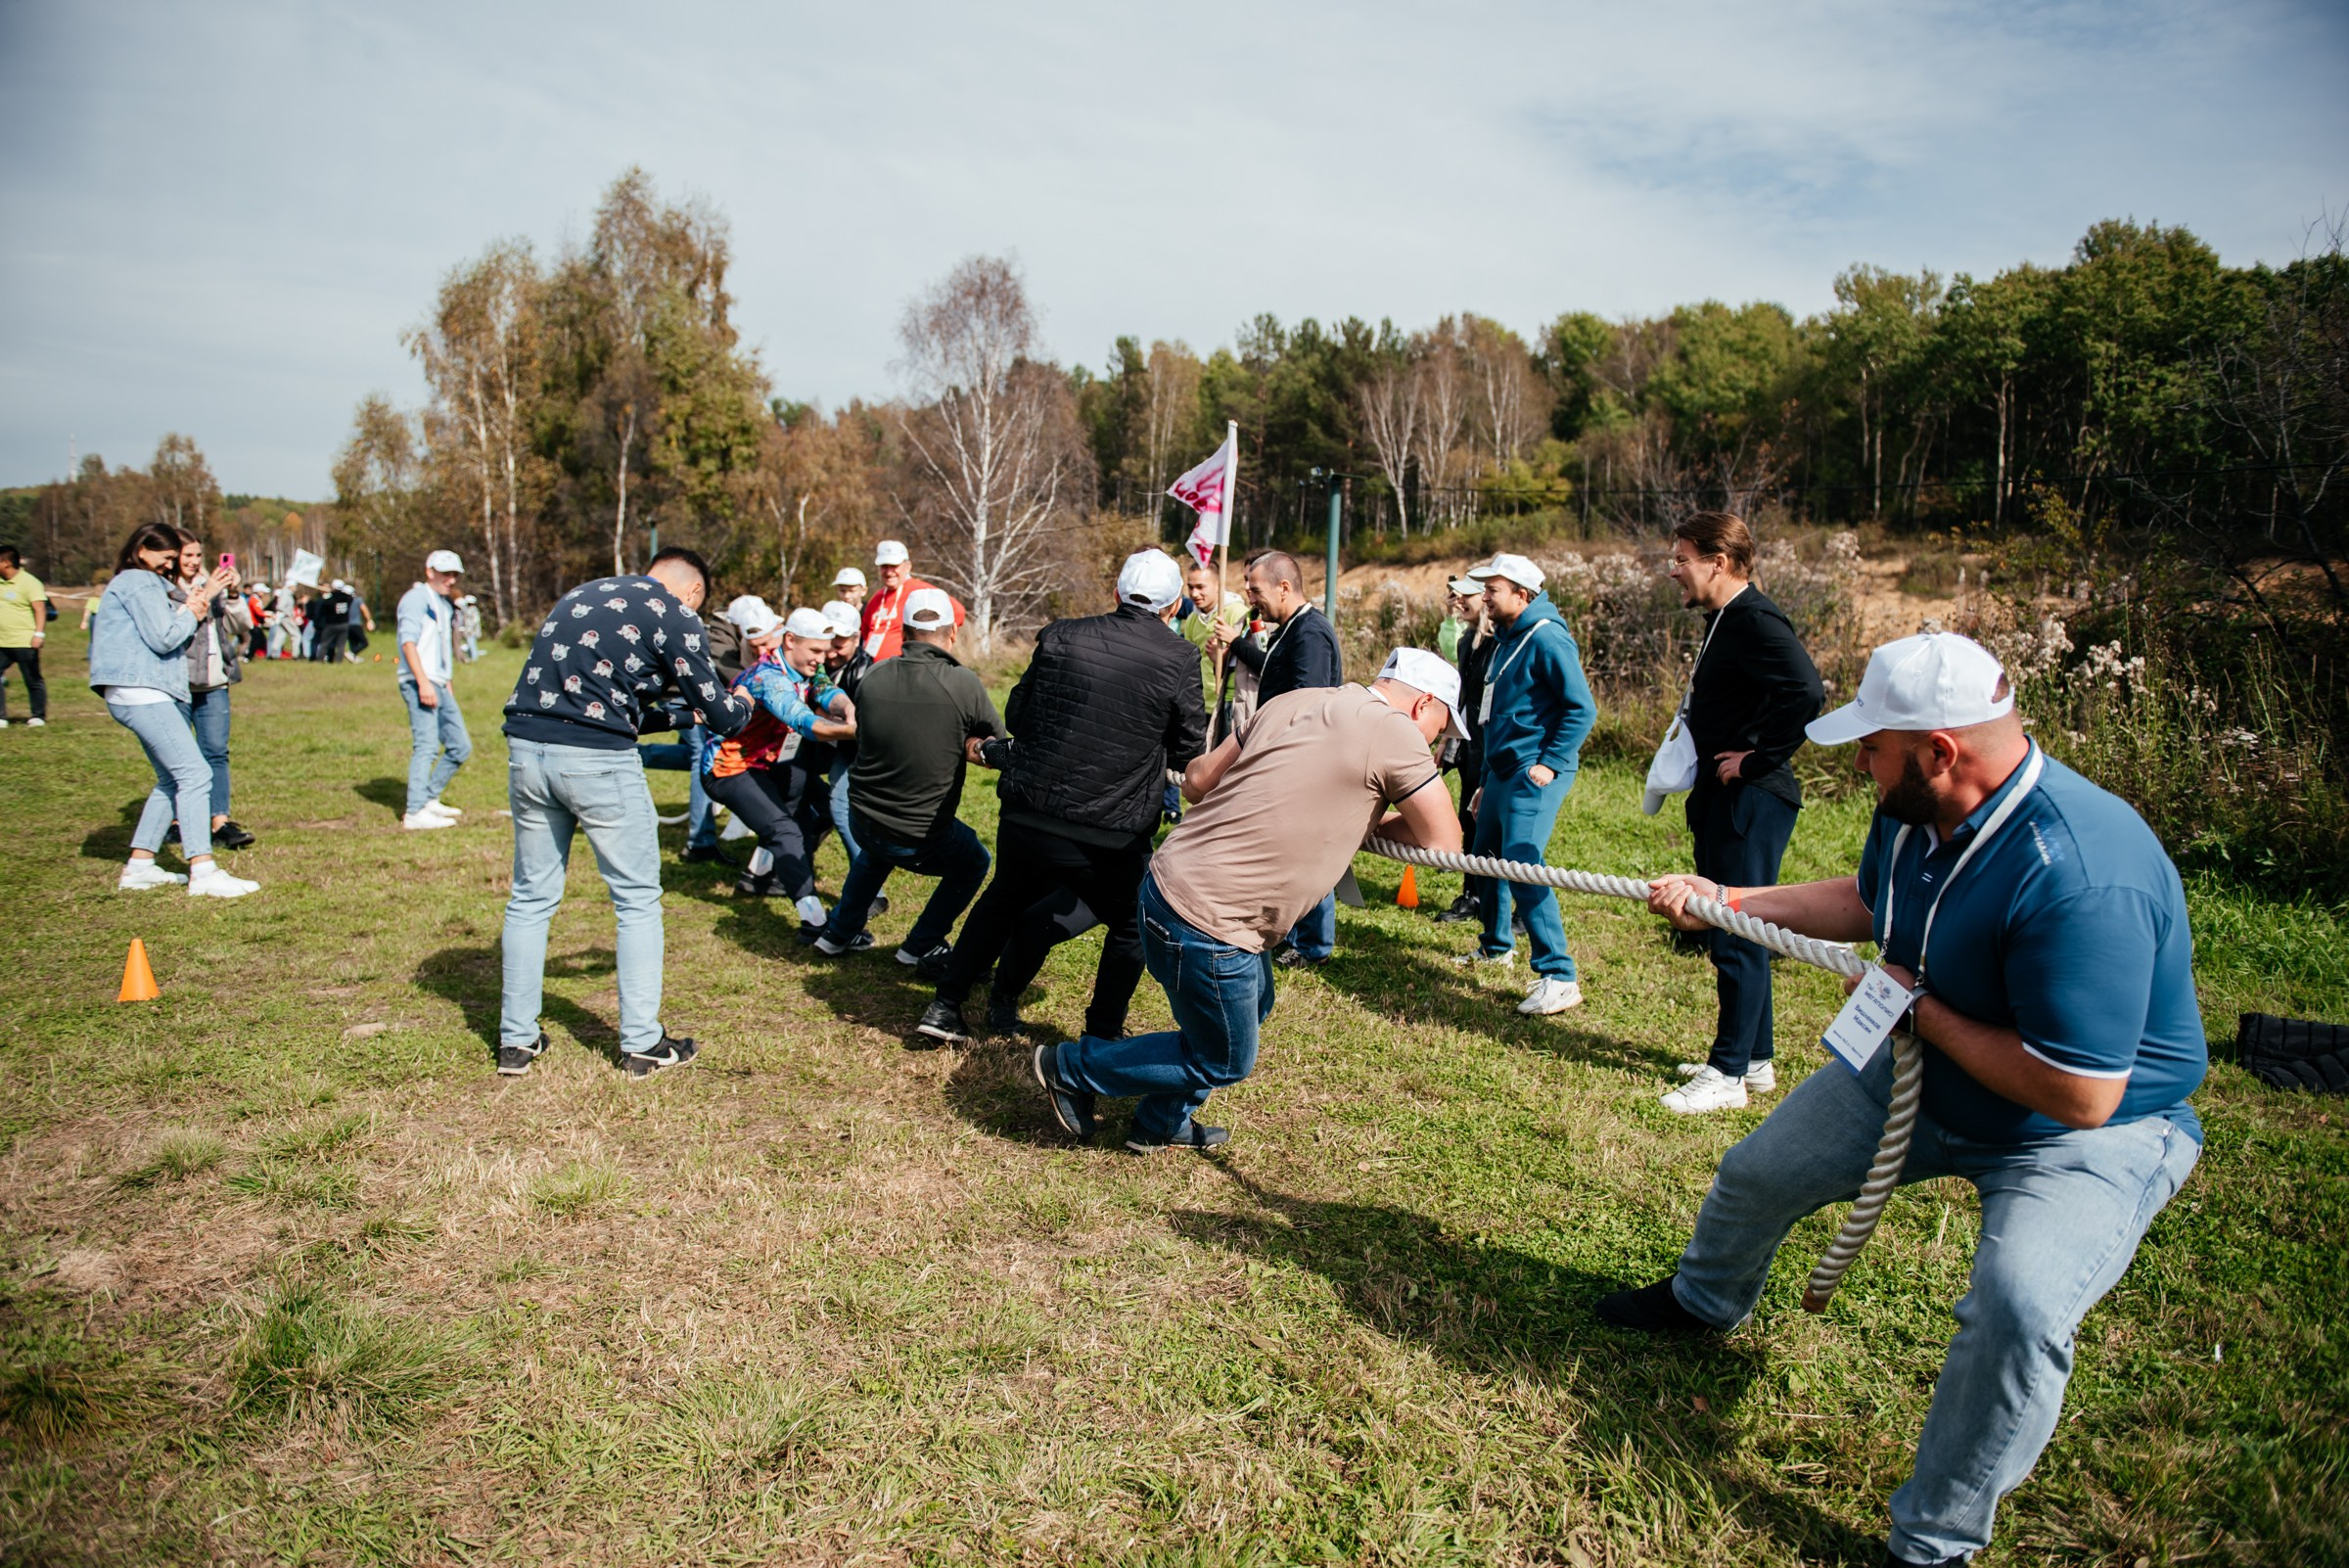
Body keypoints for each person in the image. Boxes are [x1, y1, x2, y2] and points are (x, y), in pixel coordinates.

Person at [1616, 632, 2207, 1568]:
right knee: (1757, 1170)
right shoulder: (1913, 809)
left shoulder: (2083, 874)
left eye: (1872, 744)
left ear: (1942, 750)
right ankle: (1702, 1302)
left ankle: (1931, 1543)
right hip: (1925, 1070)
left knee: (2016, 1312)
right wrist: (1729, 897)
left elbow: (2084, 1094)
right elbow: (1867, 898)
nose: (1858, 759)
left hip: (2078, 1135)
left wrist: (1923, 1017)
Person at [1034, 648, 1466, 1152]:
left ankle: (1158, 1120)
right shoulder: (1398, 734)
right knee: (1224, 1059)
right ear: (1423, 705)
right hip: (1214, 923)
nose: (1440, 740)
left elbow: (1196, 781)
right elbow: (1443, 843)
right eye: (1444, 726)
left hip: (1166, 885)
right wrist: (1373, 816)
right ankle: (1071, 1068)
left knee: (1253, 1004)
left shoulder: (1296, 699)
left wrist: (1354, 811)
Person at [917, 550, 1208, 1045]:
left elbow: (1020, 713)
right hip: (1108, 827)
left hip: (1031, 808)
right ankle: (1102, 1032)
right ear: (1174, 604)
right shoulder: (1179, 657)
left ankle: (946, 1005)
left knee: (1002, 901)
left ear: (1117, 594)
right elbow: (1188, 748)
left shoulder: (1061, 634)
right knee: (1131, 926)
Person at [497, 547, 755, 1079]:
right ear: (693, 593)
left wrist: (680, 711)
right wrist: (748, 701)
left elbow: (620, 707)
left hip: (526, 750)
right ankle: (642, 1044)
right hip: (598, 764)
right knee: (636, 898)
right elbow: (725, 716)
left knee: (530, 896)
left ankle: (515, 1041)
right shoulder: (673, 613)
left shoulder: (583, 595)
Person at [1658, 512, 1824, 1114]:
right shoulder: (1722, 619)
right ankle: (1754, 1060)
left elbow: (1807, 691)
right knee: (1742, 926)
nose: (1673, 570)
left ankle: (1725, 1074)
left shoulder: (1753, 618)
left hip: (1751, 798)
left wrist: (1755, 762)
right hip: (1725, 796)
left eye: (1682, 559)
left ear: (1718, 562)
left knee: (1735, 929)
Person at [808, 587, 1000, 962]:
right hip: (921, 833)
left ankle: (838, 933)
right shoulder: (964, 683)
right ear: (953, 633)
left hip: (863, 818)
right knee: (975, 861)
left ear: (904, 632)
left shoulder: (873, 676)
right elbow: (996, 747)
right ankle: (920, 944)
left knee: (875, 852)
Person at [1455, 553, 1597, 1015]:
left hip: (1533, 771)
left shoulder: (1548, 637)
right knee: (1486, 854)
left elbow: (1582, 708)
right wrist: (1487, 777)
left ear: (1522, 593)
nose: (1485, 597)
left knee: (1522, 862)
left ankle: (1559, 974)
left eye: (1492, 589)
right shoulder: (1507, 638)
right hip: (1501, 771)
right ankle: (1496, 948)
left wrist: (1550, 763)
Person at [86, 522, 259, 899]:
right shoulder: (139, 581)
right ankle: (203, 869)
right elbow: (164, 637)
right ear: (143, 550)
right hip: (142, 690)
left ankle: (141, 865)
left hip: (133, 691)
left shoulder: (131, 582)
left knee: (171, 779)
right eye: (166, 558)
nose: (170, 566)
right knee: (196, 774)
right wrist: (196, 609)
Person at [1205, 550, 1345, 967]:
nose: (1251, 598)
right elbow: (1274, 673)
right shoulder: (1289, 629)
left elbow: (1310, 699)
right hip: (1281, 757)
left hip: (1301, 761)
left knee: (1309, 856)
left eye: (1256, 590)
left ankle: (1313, 945)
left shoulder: (1311, 633)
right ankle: (1293, 932)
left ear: (1285, 587)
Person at [701, 605, 854, 923]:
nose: (821, 659)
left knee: (819, 812)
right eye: (814, 650)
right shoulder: (768, 678)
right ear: (789, 640)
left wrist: (847, 707)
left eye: (824, 651)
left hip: (774, 760)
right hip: (730, 767)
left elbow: (824, 688)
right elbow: (803, 722)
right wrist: (856, 730)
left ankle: (760, 875)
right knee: (785, 830)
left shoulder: (808, 665)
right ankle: (814, 921)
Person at [175, 535, 256, 851]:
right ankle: (176, 821)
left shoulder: (214, 584)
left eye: (198, 554)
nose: (194, 561)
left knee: (216, 751)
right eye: (187, 555)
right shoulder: (164, 587)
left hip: (213, 682)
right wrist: (206, 593)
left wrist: (232, 593)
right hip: (177, 682)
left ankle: (219, 821)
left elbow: (241, 626)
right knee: (178, 757)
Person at [1433, 575, 1496, 926]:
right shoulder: (1466, 640)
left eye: (1465, 596)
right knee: (1468, 817)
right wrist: (1447, 738)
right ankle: (1471, 893)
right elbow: (1463, 696)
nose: (1457, 602)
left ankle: (1503, 900)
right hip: (1470, 743)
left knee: (1492, 823)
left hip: (1492, 744)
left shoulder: (1499, 642)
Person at [396, 550, 470, 831]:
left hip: (438, 682)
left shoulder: (443, 603)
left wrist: (445, 681)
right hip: (420, 682)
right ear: (429, 571)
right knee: (426, 746)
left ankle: (428, 798)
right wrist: (423, 681)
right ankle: (415, 812)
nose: (450, 579)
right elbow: (408, 642)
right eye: (445, 573)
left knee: (460, 746)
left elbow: (440, 646)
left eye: (454, 575)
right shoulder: (416, 599)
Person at [1174, 560, 1247, 738]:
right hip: (1199, 706)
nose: (1194, 593)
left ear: (1218, 585)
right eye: (1190, 587)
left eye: (1200, 587)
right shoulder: (1191, 619)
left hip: (1229, 705)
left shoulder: (1237, 613)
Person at [857, 540, 961, 662]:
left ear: (908, 566)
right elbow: (865, 630)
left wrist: (933, 642)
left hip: (908, 668)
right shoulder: (877, 598)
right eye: (884, 566)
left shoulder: (921, 591)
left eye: (894, 566)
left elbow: (958, 612)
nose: (889, 572)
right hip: (876, 669)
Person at [0, 545, 49, 728]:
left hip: (25, 641)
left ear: (5, 562)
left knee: (32, 679)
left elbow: (40, 609)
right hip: (2, 641)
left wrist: (39, 634)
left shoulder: (30, 582)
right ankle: (1, 717)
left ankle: (38, 715)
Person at [313, 580, 355, 664]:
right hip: (344, 624)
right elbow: (349, 598)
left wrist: (328, 595)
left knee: (324, 643)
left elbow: (324, 609)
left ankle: (319, 660)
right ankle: (338, 661)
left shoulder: (329, 599)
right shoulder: (348, 598)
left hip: (331, 625)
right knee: (341, 645)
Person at [455, 594, 483, 663]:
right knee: (470, 644)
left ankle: (474, 658)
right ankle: (472, 656)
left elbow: (475, 621)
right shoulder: (469, 609)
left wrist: (470, 628)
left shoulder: (474, 610)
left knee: (471, 644)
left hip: (472, 631)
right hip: (469, 630)